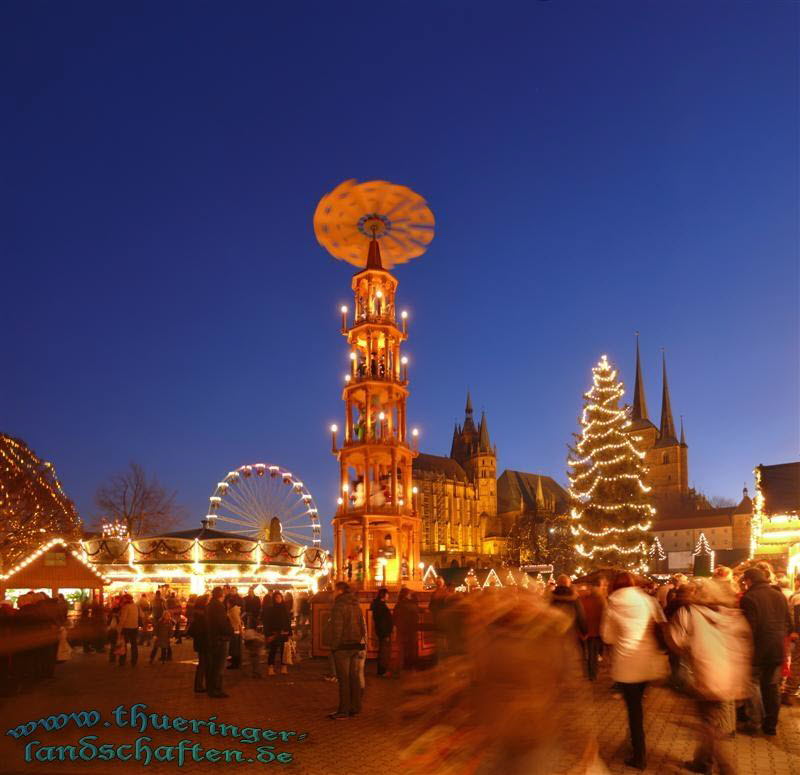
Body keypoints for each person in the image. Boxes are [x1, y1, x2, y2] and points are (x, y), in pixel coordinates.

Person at [667, 578, 752, 775]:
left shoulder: (688, 612)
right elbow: (743, 643)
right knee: (713, 722)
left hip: (706, 676)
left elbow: (676, 641)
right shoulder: (732, 613)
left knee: (709, 726)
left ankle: (727, 770)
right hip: (730, 676)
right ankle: (702, 762)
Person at [601, 572, 668, 771]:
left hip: (627, 664)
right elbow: (660, 622)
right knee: (639, 706)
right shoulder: (647, 600)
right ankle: (634, 743)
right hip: (647, 661)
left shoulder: (613, 604)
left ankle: (639, 755)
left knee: (634, 710)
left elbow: (607, 637)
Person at [739, 567, 792, 735]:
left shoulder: (749, 598)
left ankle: (755, 723)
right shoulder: (779, 595)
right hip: (776, 648)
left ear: (749, 580)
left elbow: (750, 628)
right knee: (772, 687)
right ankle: (771, 726)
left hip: (757, 649)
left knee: (753, 684)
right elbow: (788, 624)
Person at [328, 581, 366, 719]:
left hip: (342, 647)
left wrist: (334, 646)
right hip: (355, 646)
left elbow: (337, 628)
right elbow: (362, 626)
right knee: (354, 678)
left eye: (334, 590)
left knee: (343, 680)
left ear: (339, 591)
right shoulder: (356, 605)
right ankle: (355, 707)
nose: (332, 593)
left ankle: (343, 711)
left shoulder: (339, 606)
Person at [205, 587, 233, 697]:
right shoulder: (218, 606)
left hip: (213, 638)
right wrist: (230, 631)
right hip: (220, 639)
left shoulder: (210, 605)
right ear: (221, 595)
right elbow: (222, 624)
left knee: (213, 665)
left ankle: (211, 688)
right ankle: (216, 690)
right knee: (219, 665)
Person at [578, 582, 606, 681]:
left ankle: (591, 673)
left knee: (591, 653)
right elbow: (605, 615)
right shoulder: (601, 600)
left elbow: (582, 615)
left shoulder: (584, 599)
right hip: (597, 630)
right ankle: (593, 673)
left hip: (588, 630)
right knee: (593, 653)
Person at [392, 587, 419, 676]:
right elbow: (416, 616)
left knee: (400, 651)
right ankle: (411, 669)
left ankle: (397, 670)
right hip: (411, 630)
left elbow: (394, 618)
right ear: (407, 595)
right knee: (412, 650)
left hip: (401, 630)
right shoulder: (412, 605)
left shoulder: (398, 604)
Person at [263, 591, 292, 675]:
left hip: (284, 632)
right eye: (276, 597)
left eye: (279, 597)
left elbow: (288, 621)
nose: (278, 599)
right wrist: (268, 634)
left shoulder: (285, 608)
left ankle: (284, 667)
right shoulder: (270, 609)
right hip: (274, 632)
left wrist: (289, 633)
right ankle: (271, 667)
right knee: (273, 650)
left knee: (284, 650)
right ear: (274, 599)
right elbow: (267, 622)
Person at [549, 574, 587, 638]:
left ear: (557, 583)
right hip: (570, 634)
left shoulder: (550, 597)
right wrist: (584, 631)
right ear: (568, 584)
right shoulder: (574, 597)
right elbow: (580, 615)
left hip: (553, 634)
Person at [186, 595, 208, 693]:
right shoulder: (202, 616)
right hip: (203, 641)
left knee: (202, 663)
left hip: (200, 642)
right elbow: (201, 630)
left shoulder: (198, 614)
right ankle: (199, 686)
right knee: (203, 664)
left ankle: (199, 685)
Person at [370, 587, 393, 677]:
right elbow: (383, 621)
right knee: (384, 652)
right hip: (384, 633)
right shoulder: (381, 606)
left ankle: (382, 670)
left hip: (382, 631)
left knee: (383, 651)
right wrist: (386, 633)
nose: (388, 596)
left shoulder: (378, 605)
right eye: (387, 594)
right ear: (383, 595)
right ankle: (382, 671)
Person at [117, 594, 141, 667]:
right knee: (134, 644)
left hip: (126, 628)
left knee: (123, 644)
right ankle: (134, 661)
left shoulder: (126, 607)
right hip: (135, 627)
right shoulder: (136, 606)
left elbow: (123, 619)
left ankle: (122, 661)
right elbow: (142, 615)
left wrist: (119, 629)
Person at [226, 594, 243, 670]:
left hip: (235, 631)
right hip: (235, 630)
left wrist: (239, 630)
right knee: (235, 648)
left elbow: (237, 621)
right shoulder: (233, 610)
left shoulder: (233, 611)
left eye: (228, 603)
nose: (227, 605)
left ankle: (235, 663)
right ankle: (235, 662)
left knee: (234, 648)